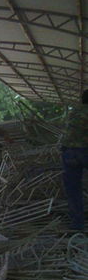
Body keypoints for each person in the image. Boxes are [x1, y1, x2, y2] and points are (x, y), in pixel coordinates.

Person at [61, 92, 88, 231]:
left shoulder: (73, 112)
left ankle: (78, 225)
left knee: (73, 190)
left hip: (68, 153)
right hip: (84, 150)